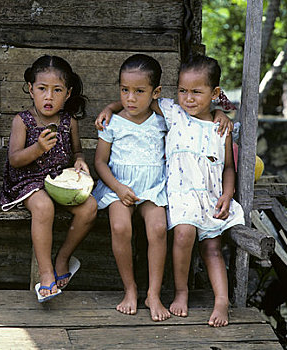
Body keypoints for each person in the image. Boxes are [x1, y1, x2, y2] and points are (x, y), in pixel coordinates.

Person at [96, 54, 243, 327]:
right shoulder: (175, 113)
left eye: (196, 92)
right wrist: (110, 106)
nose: (188, 98)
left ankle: (221, 301)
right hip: (179, 194)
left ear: (214, 93)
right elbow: (138, 100)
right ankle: (180, 291)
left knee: (212, 247)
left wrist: (228, 193)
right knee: (183, 233)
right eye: (183, 91)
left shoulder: (220, 128)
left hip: (207, 196)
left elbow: (229, 167)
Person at [0, 55, 97, 302]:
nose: (49, 97)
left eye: (57, 90)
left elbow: (76, 152)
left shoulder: (69, 122)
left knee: (90, 208)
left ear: (68, 93)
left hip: (58, 181)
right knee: (43, 207)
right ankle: (45, 274)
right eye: (42, 89)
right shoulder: (22, 121)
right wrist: (38, 149)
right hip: (27, 180)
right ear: (31, 89)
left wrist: (79, 161)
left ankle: (63, 257)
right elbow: (14, 160)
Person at [92, 54, 170, 321]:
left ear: (155, 92)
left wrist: (220, 113)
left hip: (153, 188)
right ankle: (130, 289)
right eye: (124, 90)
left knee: (158, 228)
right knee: (120, 227)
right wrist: (118, 187)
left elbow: (194, 112)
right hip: (117, 187)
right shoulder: (112, 122)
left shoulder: (163, 119)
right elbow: (100, 162)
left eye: (139, 91)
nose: (130, 98)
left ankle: (154, 293)